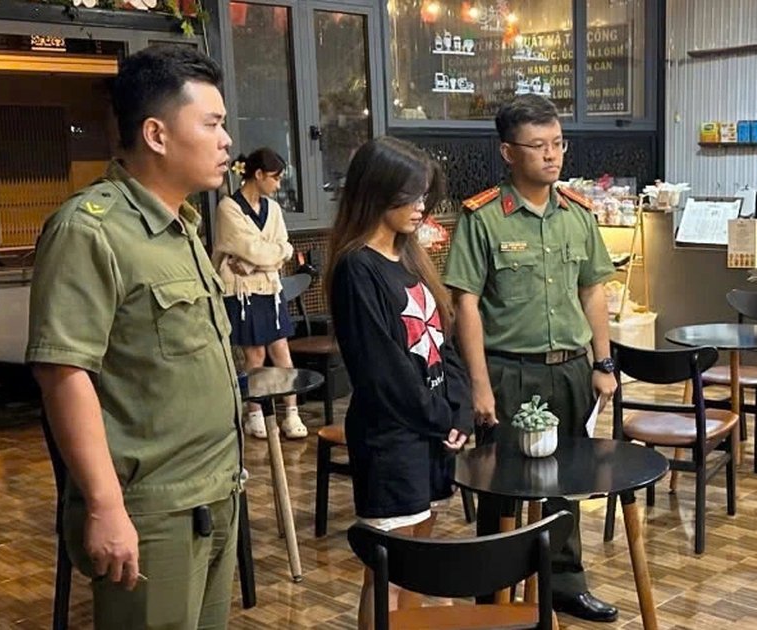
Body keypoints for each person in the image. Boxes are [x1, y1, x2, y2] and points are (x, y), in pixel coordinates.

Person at [26, 45, 242, 629]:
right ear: (156, 134)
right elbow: (64, 373)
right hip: (154, 510)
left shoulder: (181, 226)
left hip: (215, 491)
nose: (226, 141)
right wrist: (104, 505)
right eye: (212, 124)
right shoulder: (90, 230)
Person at [443, 94, 619, 623]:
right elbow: (466, 304)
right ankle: (493, 591)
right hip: (508, 371)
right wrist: (479, 386)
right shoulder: (482, 217)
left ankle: (564, 583)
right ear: (508, 152)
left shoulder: (577, 213)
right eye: (538, 145)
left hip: (569, 368)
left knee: (566, 483)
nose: (551, 155)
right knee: (501, 486)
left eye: (558, 143)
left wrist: (603, 363)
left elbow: (592, 290)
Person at [325, 137, 472, 630]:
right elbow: (382, 373)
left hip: (430, 435)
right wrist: (441, 419)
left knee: (416, 562)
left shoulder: (411, 257)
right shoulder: (357, 268)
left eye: (424, 194)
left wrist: (459, 410)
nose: (420, 206)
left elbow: (444, 341)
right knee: (385, 573)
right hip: (391, 440)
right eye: (409, 195)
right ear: (376, 191)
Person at [212, 147, 306, 439]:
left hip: (270, 290)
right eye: (275, 178)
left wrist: (253, 263)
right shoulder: (228, 207)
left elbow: (285, 247)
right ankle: (255, 415)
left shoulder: (273, 209)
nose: (278, 185)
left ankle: (291, 413)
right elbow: (249, 247)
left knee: (281, 351)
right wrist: (266, 256)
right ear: (259, 174)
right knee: (255, 354)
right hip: (242, 292)